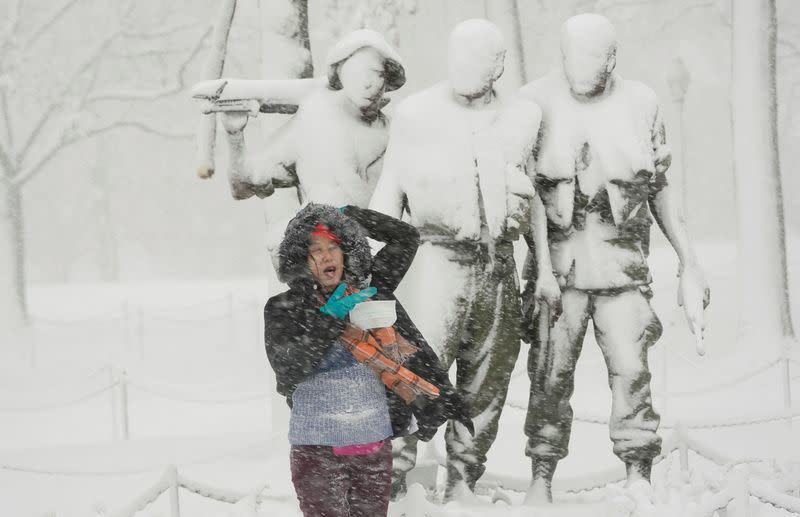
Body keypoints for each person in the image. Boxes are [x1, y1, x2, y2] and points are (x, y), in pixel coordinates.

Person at [519, 13, 710, 503]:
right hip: (557, 268)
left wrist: (690, 260)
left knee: (631, 369)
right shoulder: (534, 102)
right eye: (573, 55)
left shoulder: (641, 101)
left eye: (593, 56)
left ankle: (637, 472)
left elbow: (660, 188)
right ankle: (541, 473)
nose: (582, 66)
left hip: (623, 264)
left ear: (612, 58)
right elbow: (523, 192)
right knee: (549, 372)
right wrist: (538, 265)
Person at [369, 19, 559, 499]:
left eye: (474, 61)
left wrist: (545, 271)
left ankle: (462, 479)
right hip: (434, 262)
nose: (462, 70)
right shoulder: (417, 114)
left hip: (498, 264)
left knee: (488, 378)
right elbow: (390, 189)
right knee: (414, 370)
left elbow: (533, 195)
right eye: (456, 58)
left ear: (498, 67)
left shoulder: (523, 117)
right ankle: (396, 481)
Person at [264, 203, 472, 516]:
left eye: (334, 246)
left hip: (372, 444)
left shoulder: (370, 289)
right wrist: (330, 318)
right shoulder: (283, 307)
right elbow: (288, 369)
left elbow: (406, 238)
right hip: (317, 448)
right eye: (316, 249)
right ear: (300, 258)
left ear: (347, 250)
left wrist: (351, 216)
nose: (327, 256)